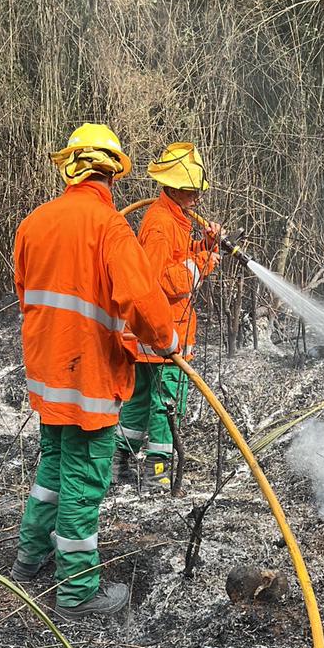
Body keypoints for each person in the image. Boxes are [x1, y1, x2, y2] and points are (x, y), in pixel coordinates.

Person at [11, 123, 179, 619]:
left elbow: (28, 296)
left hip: (47, 375)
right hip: (89, 381)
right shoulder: (109, 228)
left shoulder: (34, 222)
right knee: (84, 481)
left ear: (70, 169)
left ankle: (28, 557)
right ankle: (77, 592)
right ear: (112, 173)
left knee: (53, 467)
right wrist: (165, 341)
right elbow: (144, 302)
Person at [113, 142, 220, 490]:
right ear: (173, 188)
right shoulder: (160, 223)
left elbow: (177, 260)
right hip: (163, 336)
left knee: (140, 399)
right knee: (166, 404)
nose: (197, 198)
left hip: (151, 336)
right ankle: (157, 473)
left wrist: (202, 247)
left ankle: (122, 462)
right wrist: (201, 263)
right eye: (191, 191)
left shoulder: (173, 218)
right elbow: (157, 282)